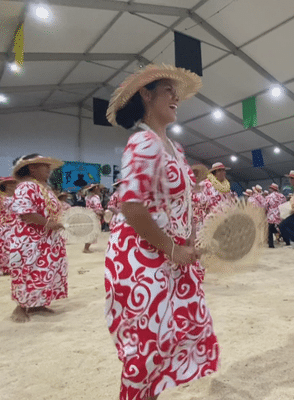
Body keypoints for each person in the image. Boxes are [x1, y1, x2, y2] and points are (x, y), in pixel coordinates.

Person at [104, 64, 218, 399]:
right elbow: (132, 207)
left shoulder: (174, 147)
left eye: (176, 91)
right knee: (148, 344)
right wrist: (172, 248)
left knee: (168, 339)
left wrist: (190, 238)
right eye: (168, 90)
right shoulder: (143, 142)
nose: (176, 97)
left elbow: (180, 202)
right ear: (146, 94)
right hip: (141, 258)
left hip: (167, 257)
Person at [9, 154, 67, 323]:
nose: (49, 170)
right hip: (30, 239)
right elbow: (25, 212)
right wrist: (48, 224)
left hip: (47, 239)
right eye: (45, 166)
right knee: (27, 271)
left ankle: (38, 304)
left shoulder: (42, 187)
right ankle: (20, 307)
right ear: (32, 168)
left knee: (44, 272)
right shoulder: (25, 186)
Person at [83, 183, 104, 253]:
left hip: (88, 216)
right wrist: (102, 213)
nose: (99, 189)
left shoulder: (87, 197)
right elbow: (98, 208)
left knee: (91, 232)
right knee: (93, 233)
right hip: (94, 216)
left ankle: (86, 247)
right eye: (97, 187)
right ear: (95, 189)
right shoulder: (95, 197)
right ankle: (86, 248)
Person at [265, 183, 287, 248]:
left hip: (271, 215)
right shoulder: (282, 196)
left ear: (272, 189)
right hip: (280, 214)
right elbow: (284, 205)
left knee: (270, 230)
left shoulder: (269, 197)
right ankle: (287, 241)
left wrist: (266, 213)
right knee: (282, 228)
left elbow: (266, 206)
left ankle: (271, 244)